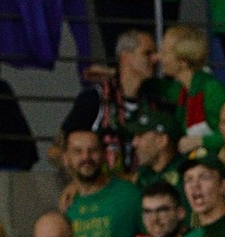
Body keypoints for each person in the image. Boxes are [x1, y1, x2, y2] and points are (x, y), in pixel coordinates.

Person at [59, 29, 180, 174]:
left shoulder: (158, 98)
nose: (156, 59)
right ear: (126, 56)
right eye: (147, 53)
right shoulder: (95, 97)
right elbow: (56, 150)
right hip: (105, 189)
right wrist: (78, 180)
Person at [63, 129, 145, 237]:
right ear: (66, 159)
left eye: (93, 150)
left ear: (104, 155)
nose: (86, 157)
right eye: (78, 151)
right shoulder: (67, 202)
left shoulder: (130, 195)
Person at [160, 24, 225, 157]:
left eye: (164, 53)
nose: (159, 58)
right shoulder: (183, 89)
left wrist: (199, 141)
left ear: (182, 62)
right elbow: (153, 86)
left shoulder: (211, 89)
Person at [129, 109, 183, 189]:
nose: (133, 143)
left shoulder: (185, 175)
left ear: (162, 141)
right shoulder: (143, 175)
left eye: (140, 136)